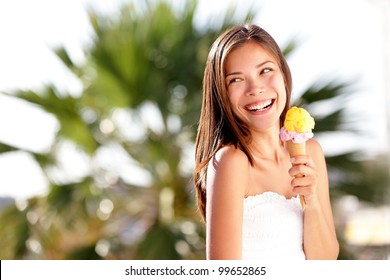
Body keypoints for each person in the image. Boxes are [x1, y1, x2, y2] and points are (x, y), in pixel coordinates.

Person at [193, 24, 339, 260]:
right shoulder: (231, 162)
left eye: (265, 71)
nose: (255, 88)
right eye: (236, 80)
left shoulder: (310, 152)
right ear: (221, 94)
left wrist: (311, 202)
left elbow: (325, 260)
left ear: (283, 75)